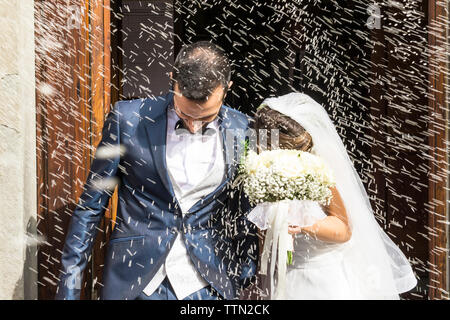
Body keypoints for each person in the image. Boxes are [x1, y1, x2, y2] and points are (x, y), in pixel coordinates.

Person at [55, 41, 258, 300]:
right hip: (136, 282)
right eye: (185, 115)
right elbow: (91, 207)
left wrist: (245, 278)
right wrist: (69, 288)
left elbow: (245, 212)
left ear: (226, 89)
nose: (194, 126)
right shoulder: (127, 119)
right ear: (173, 80)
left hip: (210, 284)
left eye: (205, 118)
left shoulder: (244, 129)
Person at [253, 92, 417, 299]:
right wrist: (262, 277)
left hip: (321, 279)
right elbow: (263, 228)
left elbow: (343, 227)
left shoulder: (321, 168)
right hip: (284, 278)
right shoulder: (261, 169)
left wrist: (303, 228)